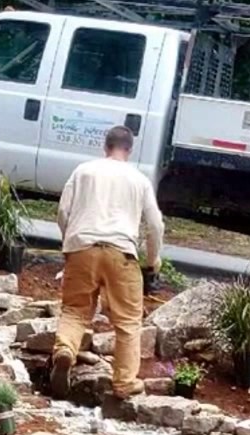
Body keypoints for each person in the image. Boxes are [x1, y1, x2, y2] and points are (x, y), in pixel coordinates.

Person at [51, 125, 165, 400]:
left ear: (105, 146)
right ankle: (124, 382)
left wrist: (71, 244)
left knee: (75, 311)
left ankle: (66, 349)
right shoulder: (139, 180)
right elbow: (154, 224)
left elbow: (63, 212)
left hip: (81, 248)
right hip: (121, 253)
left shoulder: (84, 171)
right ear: (130, 149)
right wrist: (153, 260)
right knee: (127, 321)